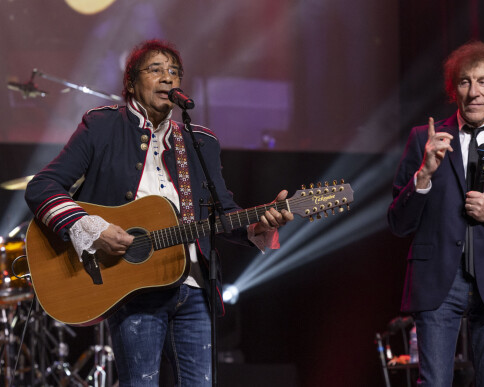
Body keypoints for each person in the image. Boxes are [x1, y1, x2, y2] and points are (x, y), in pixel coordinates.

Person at [24, 39, 293, 386]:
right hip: (134, 292)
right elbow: (42, 186)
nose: (168, 78)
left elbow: (222, 213)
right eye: (156, 70)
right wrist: (92, 228)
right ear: (131, 83)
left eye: (175, 72)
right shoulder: (103, 127)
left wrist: (260, 223)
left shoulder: (200, 141)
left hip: (194, 288)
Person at [387, 41, 484, 386]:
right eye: (465, 81)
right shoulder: (423, 140)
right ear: (453, 90)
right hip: (437, 281)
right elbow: (398, 223)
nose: (474, 92)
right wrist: (424, 176)